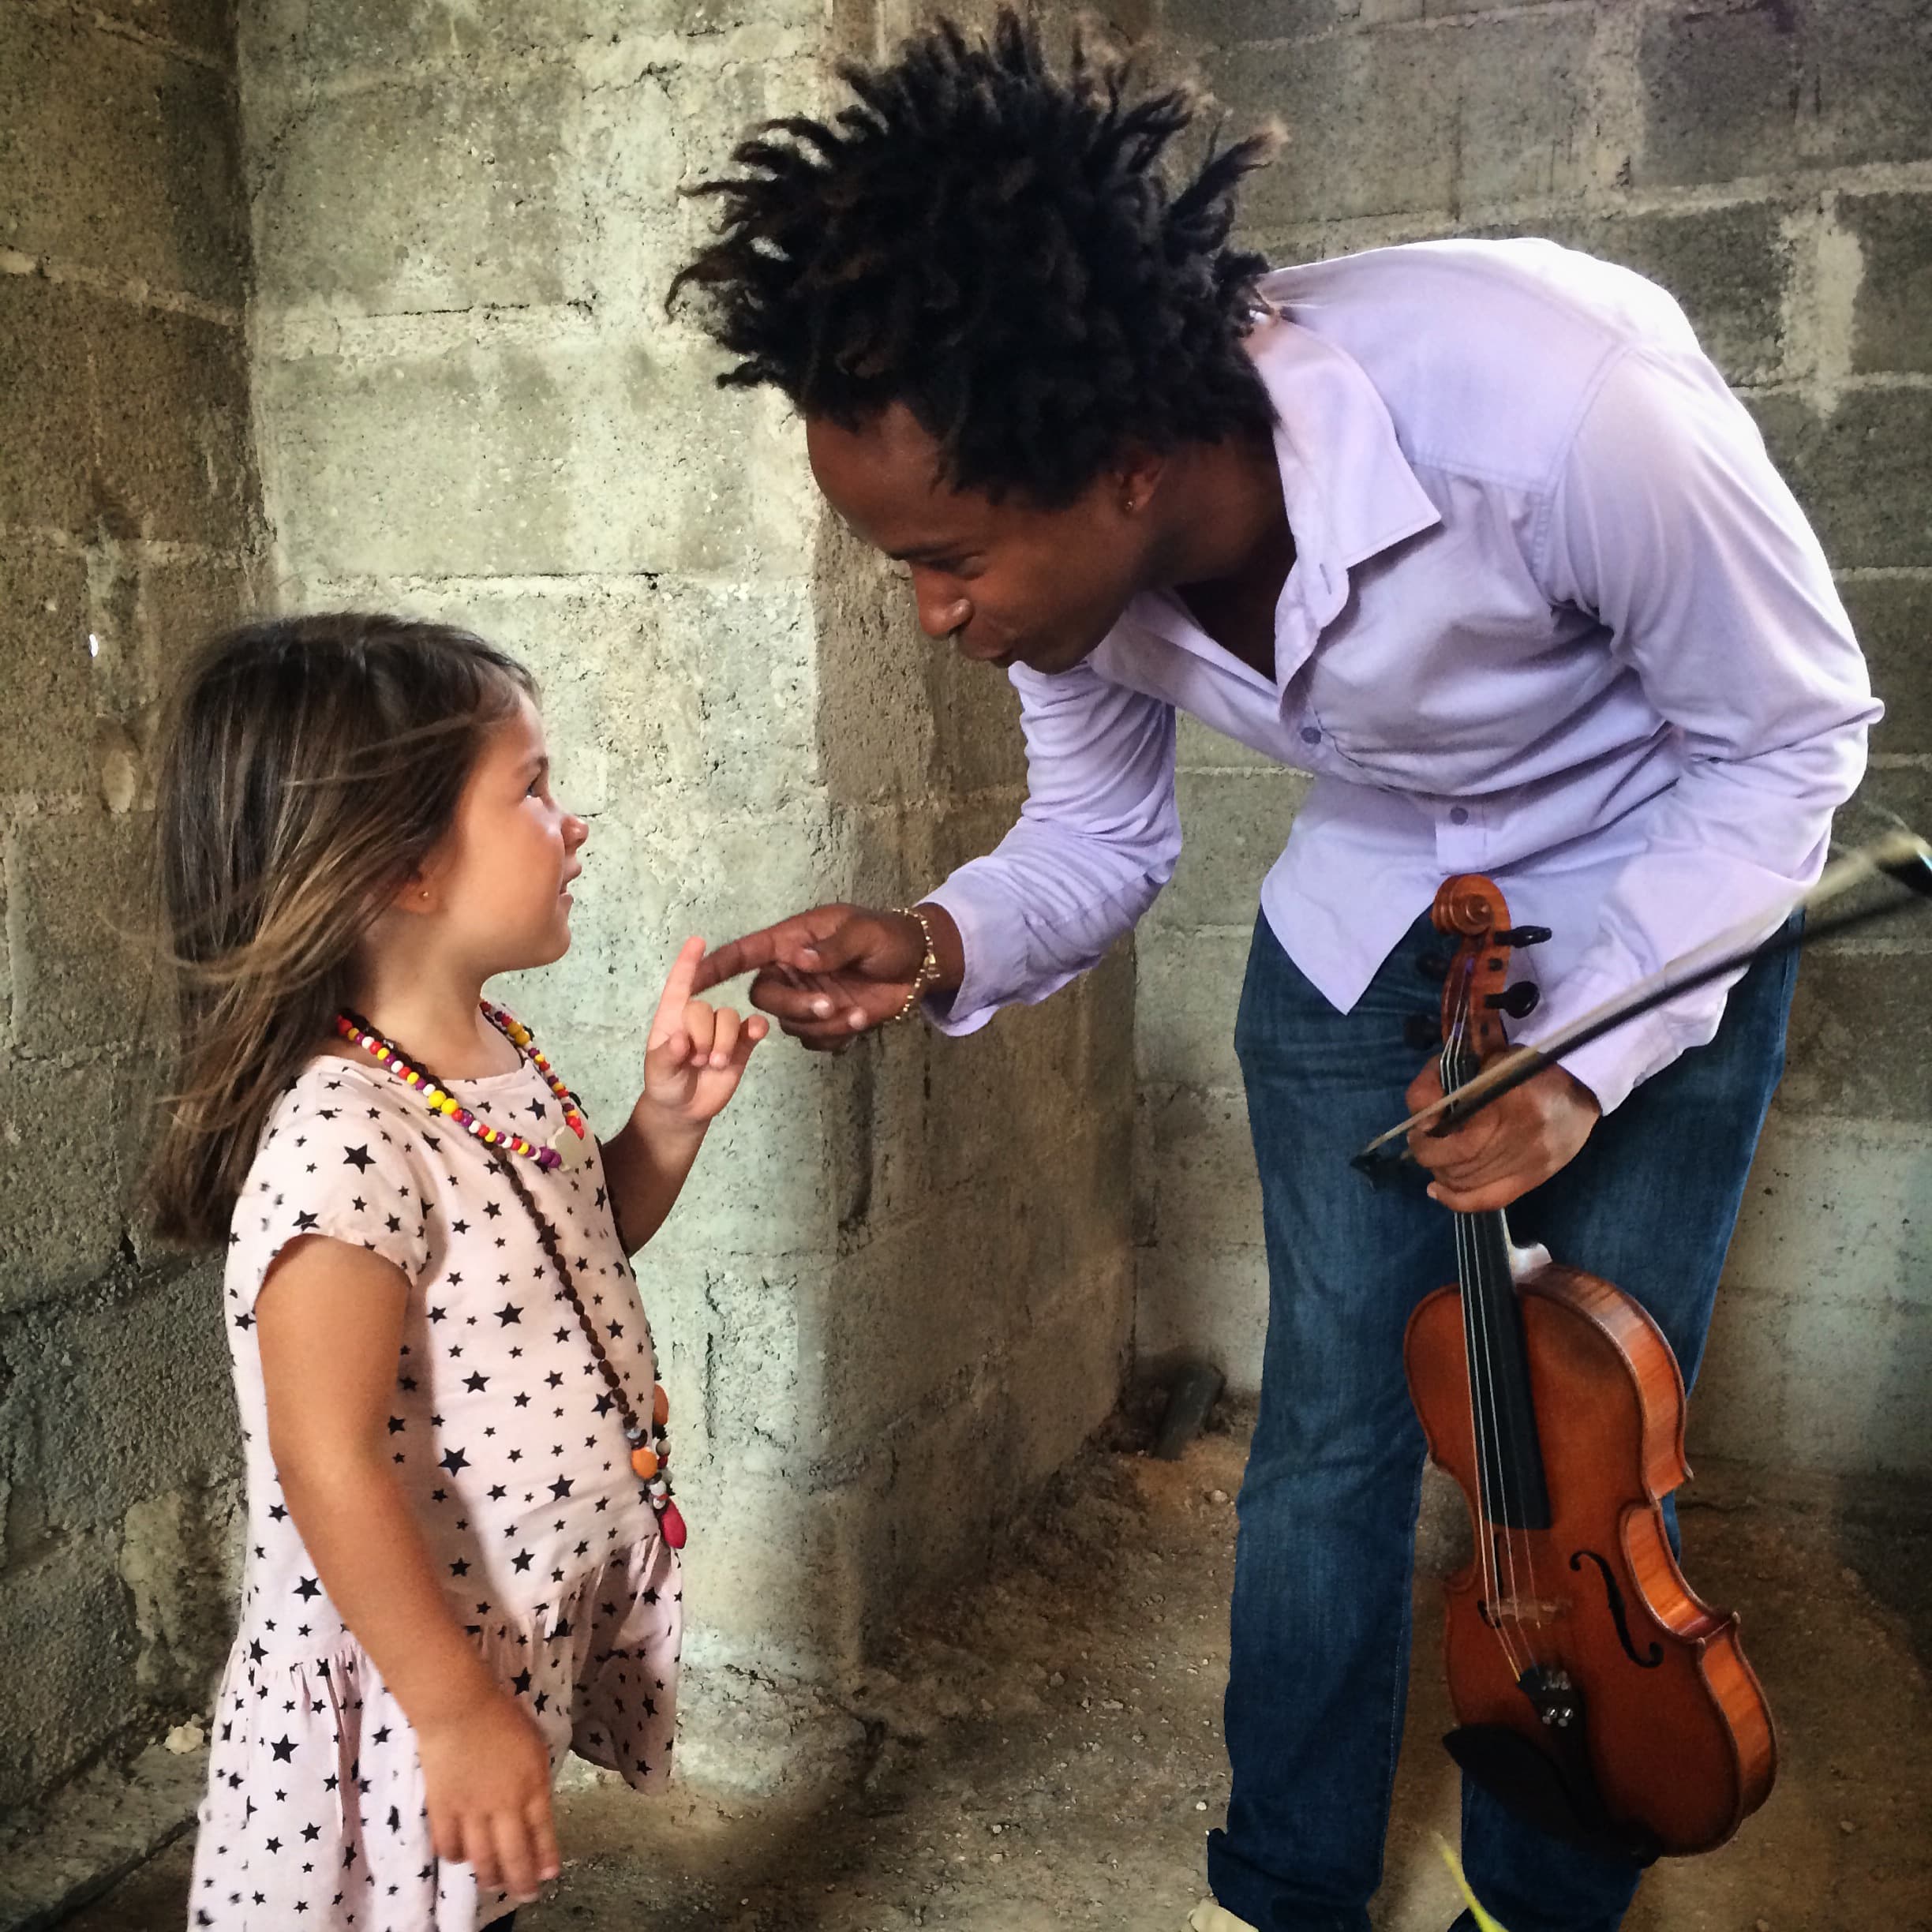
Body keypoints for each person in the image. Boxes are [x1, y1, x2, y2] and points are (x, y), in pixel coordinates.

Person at [668, 14, 1878, 1932]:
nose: (936, 611)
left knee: (1581, 1462)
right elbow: (1100, 840)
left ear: (1129, 463)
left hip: (1670, 910)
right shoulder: (1066, 596)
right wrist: (932, 939)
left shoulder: (1561, 403)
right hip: (1368, 923)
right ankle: (1287, 1888)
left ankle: (1536, 1900)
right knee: (1329, 1426)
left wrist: (1584, 1057)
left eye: (949, 557)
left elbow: (1787, 747)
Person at [144, 613, 767, 1931]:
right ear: (405, 866)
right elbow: (326, 1457)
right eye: (532, 789)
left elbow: (558, 1270)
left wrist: (661, 1129)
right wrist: (450, 1707)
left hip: (489, 1630)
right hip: (400, 1671)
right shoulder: (347, 1132)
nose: (572, 821)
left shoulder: (492, 1059)